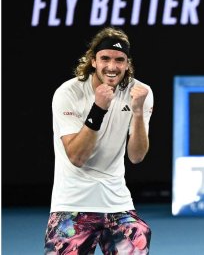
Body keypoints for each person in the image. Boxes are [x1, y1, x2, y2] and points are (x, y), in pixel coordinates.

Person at [44, 27, 153, 255]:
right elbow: (77, 156)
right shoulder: (68, 93)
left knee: (138, 233)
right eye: (105, 58)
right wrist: (98, 108)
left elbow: (137, 156)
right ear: (93, 61)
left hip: (117, 204)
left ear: (127, 63)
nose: (112, 67)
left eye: (119, 60)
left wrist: (139, 112)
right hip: (71, 206)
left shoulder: (140, 93)